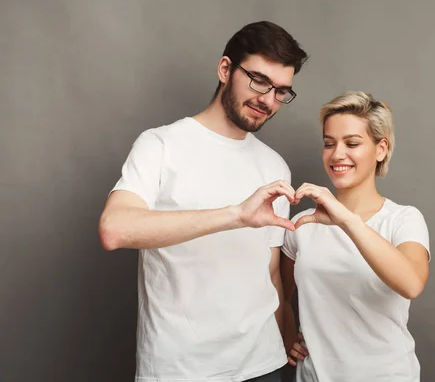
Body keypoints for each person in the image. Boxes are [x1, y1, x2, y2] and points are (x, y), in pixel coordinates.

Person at [98, 21, 308, 382]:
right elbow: (114, 230)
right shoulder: (160, 145)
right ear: (225, 69)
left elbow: (271, 272)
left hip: (263, 364)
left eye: (281, 91)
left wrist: (285, 339)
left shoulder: (275, 166)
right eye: (259, 81)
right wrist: (236, 215)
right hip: (181, 369)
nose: (268, 100)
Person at [281, 91, 430, 382]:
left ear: (381, 149)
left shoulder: (404, 219)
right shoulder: (303, 224)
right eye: (328, 143)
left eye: (352, 143)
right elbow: (279, 293)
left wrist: (346, 220)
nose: (337, 154)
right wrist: (287, 334)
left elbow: (411, 283)